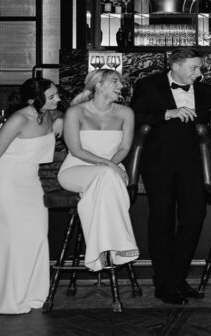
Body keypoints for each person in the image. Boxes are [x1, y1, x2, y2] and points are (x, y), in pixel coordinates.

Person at [130, 48, 211, 305]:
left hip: (195, 164)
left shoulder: (208, 92)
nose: (199, 72)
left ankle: (177, 278)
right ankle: (164, 283)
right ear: (175, 65)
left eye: (199, 67)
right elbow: (132, 117)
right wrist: (166, 114)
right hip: (159, 163)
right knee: (162, 220)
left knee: (194, 217)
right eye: (194, 68)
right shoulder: (148, 86)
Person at [0, 78, 60, 314]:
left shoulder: (47, 115)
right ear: (34, 100)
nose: (58, 99)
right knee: (9, 242)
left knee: (37, 238)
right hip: (5, 184)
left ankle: (32, 293)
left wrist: (61, 118)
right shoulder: (18, 119)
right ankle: (6, 298)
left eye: (56, 95)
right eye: (52, 96)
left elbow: (65, 110)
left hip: (31, 183)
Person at [58, 69, 139, 272]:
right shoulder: (75, 112)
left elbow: (125, 148)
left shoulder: (125, 113)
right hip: (76, 169)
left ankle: (98, 250)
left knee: (105, 179)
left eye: (120, 82)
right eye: (115, 81)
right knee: (107, 175)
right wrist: (110, 165)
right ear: (98, 84)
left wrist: (111, 164)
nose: (121, 86)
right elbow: (76, 150)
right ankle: (122, 245)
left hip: (112, 169)